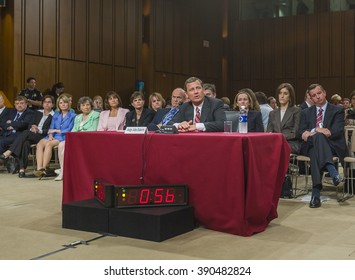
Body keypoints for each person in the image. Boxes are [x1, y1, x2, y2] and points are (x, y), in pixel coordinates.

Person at [299, 84, 347, 208]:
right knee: (318, 139)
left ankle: (315, 194)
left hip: (332, 145)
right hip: (310, 145)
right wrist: (318, 130)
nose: (317, 97)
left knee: (316, 147)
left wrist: (314, 131)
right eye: (314, 95)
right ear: (310, 98)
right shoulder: (305, 112)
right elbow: (301, 132)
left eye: (319, 93)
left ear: (324, 93)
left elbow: (335, 131)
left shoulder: (337, 110)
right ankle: (333, 172)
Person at [0, 95, 55, 177]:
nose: (46, 104)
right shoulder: (38, 112)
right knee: (25, 143)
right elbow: (29, 124)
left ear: (53, 104)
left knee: (25, 133)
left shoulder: (55, 115)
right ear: (42, 104)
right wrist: (32, 127)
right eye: (45, 102)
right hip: (32, 134)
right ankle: (22, 169)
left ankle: (9, 152)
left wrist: (39, 130)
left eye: (49, 102)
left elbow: (52, 129)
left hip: (43, 136)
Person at [55, 96, 100, 181]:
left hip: (88, 140)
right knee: (61, 144)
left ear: (91, 106)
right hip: (77, 139)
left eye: (88, 105)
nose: (86, 107)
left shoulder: (96, 115)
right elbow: (73, 130)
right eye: (83, 105)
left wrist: (78, 135)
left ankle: (65, 171)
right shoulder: (78, 117)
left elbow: (93, 129)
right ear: (80, 107)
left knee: (65, 150)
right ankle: (62, 172)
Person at [34, 94, 76, 177]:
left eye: (65, 103)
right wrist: (50, 135)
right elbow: (51, 128)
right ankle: (39, 169)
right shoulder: (56, 115)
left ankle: (44, 168)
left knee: (49, 144)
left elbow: (69, 129)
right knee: (40, 144)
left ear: (68, 104)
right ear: (58, 105)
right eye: (61, 103)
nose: (63, 104)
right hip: (53, 135)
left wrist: (56, 131)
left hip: (63, 136)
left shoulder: (73, 116)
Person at [267, 83, 301, 154]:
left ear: (290, 96)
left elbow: (295, 133)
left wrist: (279, 137)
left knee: (277, 148)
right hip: (275, 143)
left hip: (290, 143)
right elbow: (269, 132)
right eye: (280, 93)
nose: (282, 96)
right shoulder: (272, 113)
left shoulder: (296, 111)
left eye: (285, 93)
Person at [0, 96, 34, 163]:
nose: (19, 105)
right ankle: (4, 160)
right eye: (17, 103)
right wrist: (8, 127)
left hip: (19, 135)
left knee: (1, 141)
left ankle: (4, 160)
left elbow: (24, 124)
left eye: (21, 103)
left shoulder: (30, 112)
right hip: (7, 133)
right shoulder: (11, 111)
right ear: (14, 105)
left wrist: (11, 122)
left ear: (26, 104)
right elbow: (3, 123)